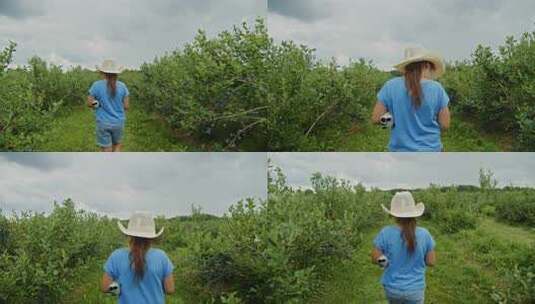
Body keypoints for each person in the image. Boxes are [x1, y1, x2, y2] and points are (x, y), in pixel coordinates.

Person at [371, 48, 451, 152]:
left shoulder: (390, 86)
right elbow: (445, 124)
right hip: (431, 151)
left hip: (399, 152)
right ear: (426, 65)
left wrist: (394, 120)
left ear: (406, 67)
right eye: (431, 68)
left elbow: (376, 119)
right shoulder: (437, 88)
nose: (431, 73)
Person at [371, 192, 436, 304]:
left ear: (394, 215)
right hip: (415, 290)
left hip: (392, 289)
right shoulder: (424, 234)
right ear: (414, 213)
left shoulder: (385, 232)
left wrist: (385, 264)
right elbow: (431, 262)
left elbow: (374, 257)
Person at [102, 212, 175, 303]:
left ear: (129, 236)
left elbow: (105, 287)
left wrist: (121, 289)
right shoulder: (161, 257)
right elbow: (170, 289)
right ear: (151, 238)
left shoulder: (116, 256)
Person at [88, 59, 130, 152]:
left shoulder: (96, 85)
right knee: (117, 145)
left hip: (103, 122)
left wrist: (98, 104)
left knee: (106, 149)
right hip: (118, 122)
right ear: (116, 73)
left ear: (102, 72)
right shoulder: (123, 86)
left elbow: (89, 103)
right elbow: (126, 106)